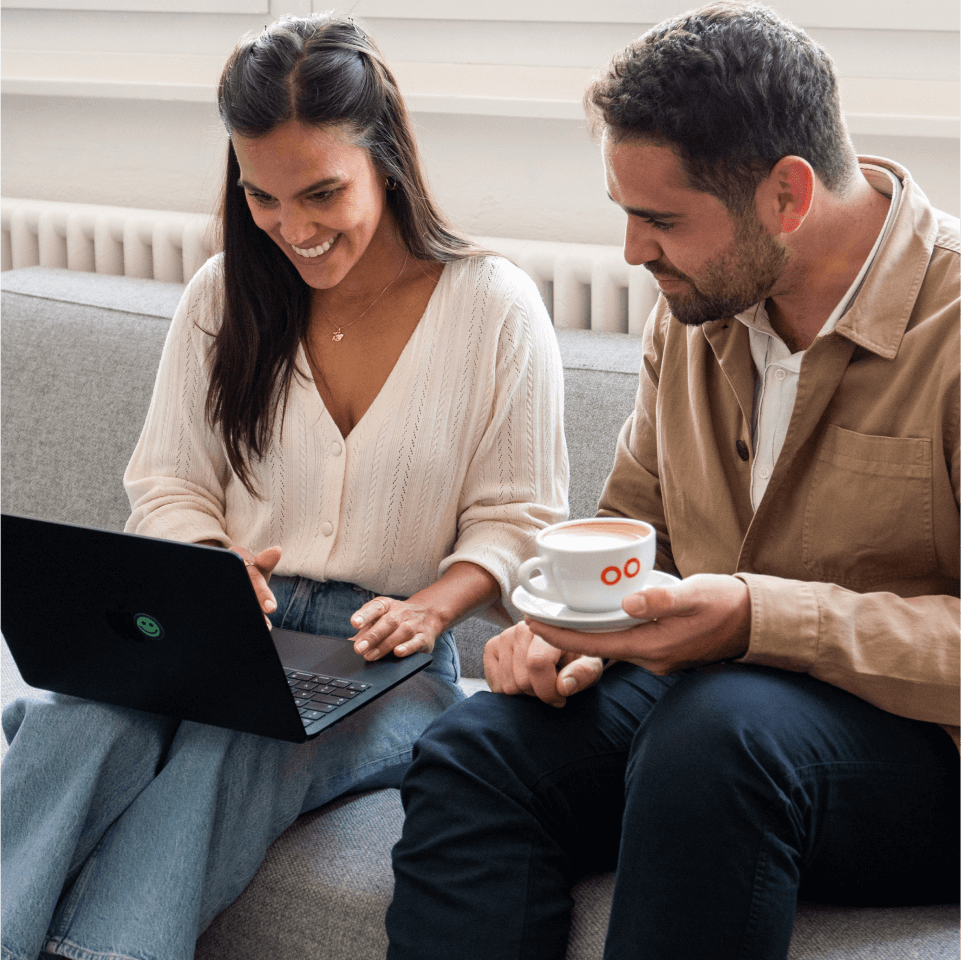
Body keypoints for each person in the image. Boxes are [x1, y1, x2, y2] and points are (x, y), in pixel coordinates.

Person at [385, 4, 960, 958]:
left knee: (716, 732)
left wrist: (756, 617)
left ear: (786, 194)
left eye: (659, 219)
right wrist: (569, 634)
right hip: (711, 709)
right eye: (624, 213)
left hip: (922, 749)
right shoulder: (698, 307)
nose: (632, 251)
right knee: (474, 749)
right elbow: (634, 523)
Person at [0, 14, 567, 960]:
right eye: (261, 196)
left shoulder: (492, 307)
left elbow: (521, 517)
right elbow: (168, 486)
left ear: (385, 157)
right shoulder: (223, 295)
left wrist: (431, 606)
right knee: (79, 723)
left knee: (231, 750)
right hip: (226, 626)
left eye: (322, 193)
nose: (294, 229)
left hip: (383, 658)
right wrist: (211, 564)